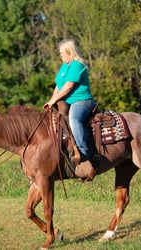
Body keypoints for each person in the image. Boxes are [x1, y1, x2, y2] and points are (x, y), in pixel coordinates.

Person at [43, 39, 96, 181]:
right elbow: (59, 86)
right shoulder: (64, 67)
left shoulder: (77, 65)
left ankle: (84, 155)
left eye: (62, 53)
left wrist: (55, 100)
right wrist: (51, 101)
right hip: (67, 102)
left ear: (70, 52)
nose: (61, 56)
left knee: (73, 120)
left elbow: (68, 87)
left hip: (82, 101)